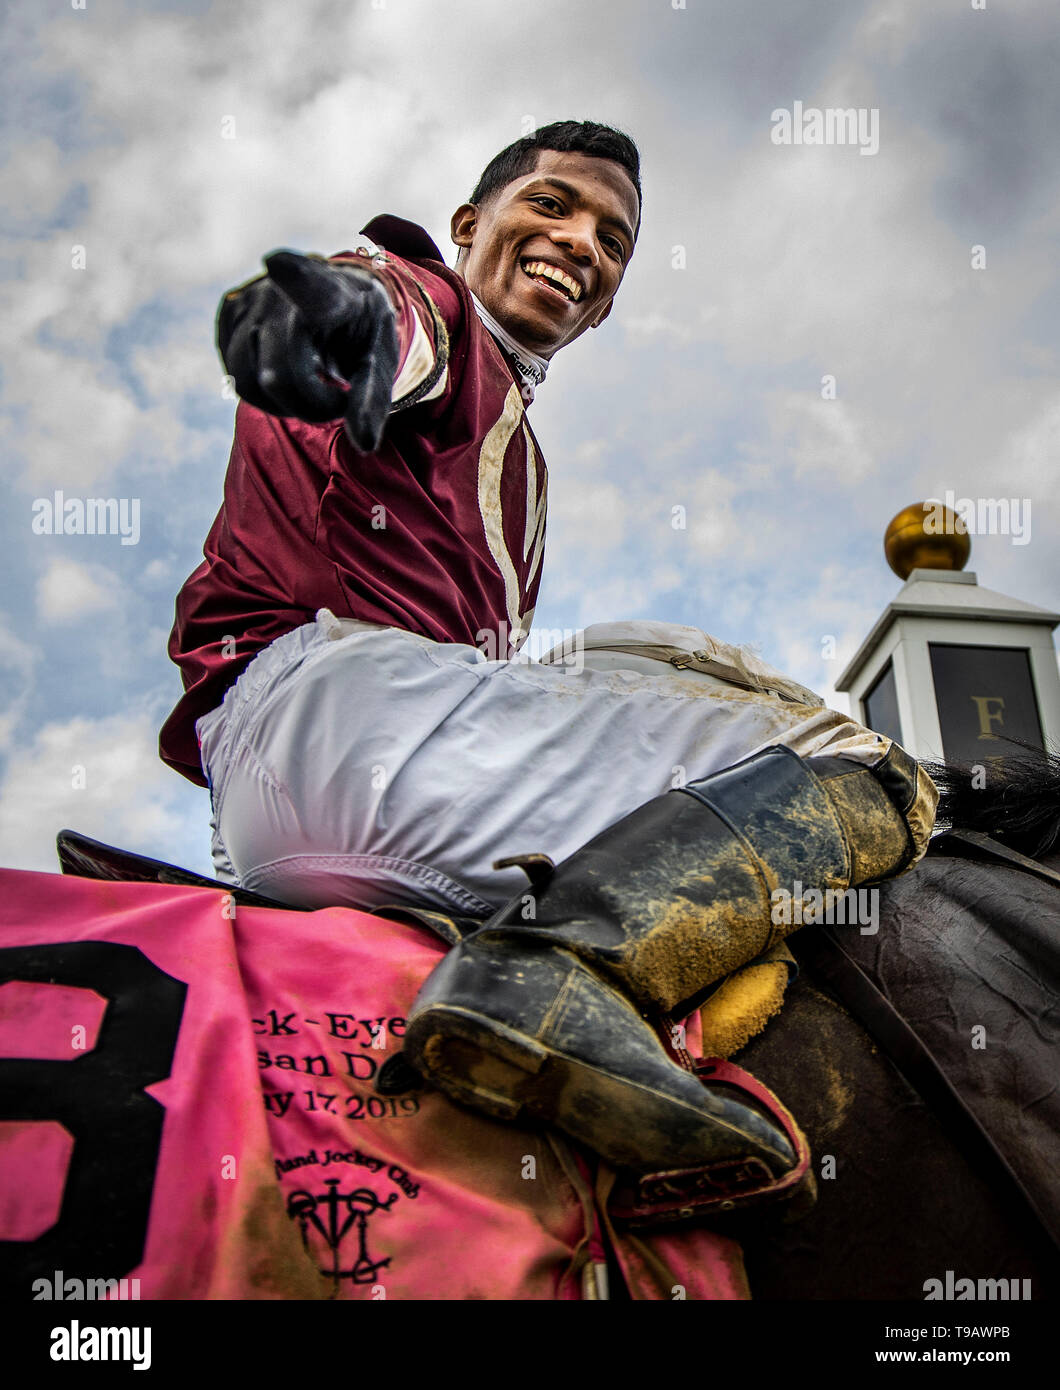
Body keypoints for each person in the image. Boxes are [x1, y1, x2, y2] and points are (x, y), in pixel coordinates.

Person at [160, 120, 937, 1180]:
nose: (582, 243)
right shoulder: (424, 303)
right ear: (469, 226)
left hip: (308, 784)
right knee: (864, 766)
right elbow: (377, 314)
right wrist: (327, 320)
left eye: (613, 239)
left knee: (649, 664)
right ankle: (547, 981)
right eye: (554, 205)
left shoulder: (518, 459)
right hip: (350, 721)